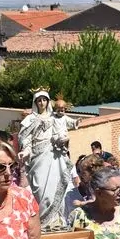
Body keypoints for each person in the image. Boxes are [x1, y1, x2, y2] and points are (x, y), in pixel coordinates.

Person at [18, 89, 78, 230]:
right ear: (35, 102)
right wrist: (26, 151)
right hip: (37, 159)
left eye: (44, 100)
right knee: (41, 190)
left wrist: (63, 140)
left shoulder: (55, 118)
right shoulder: (30, 120)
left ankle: (56, 221)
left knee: (54, 188)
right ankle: (43, 222)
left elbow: (62, 130)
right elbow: (25, 139)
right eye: (39, 100)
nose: (42, 103)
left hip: (52, 156)